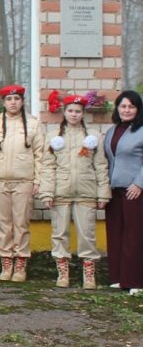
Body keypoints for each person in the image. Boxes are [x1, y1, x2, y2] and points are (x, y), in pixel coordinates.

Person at [40, 94, 110, 289]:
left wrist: (103, 193)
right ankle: (63, 273)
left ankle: (89, 275)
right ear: (64, 112)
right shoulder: (53, 136)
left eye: (77, 111)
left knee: (87, 234)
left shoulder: (93, 136)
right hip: (60, 190)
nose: (73, 114)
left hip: (86, 191)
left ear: (83, 113)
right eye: (70, 111)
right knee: (60, 232)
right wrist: (46, 192)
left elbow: (101, 166)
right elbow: (47, 166)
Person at [0, 85, 45, 283]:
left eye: (17, 99)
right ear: (3, 102)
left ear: (23, 101)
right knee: (3, 224)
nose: (13, 102)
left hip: (24, 181)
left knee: (21, 223)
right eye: (9, 99)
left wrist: (38, 180)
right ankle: (6, 261)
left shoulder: (34, 125)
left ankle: (20, 263)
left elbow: (40, 155)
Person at [104, 90, 143, 294]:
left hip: (135, 191)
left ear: (138, 109)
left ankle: (135, 281)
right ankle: (119, 278)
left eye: (131, 106)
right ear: (117, 109)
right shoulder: (112, 131)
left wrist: (139, 184)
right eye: (123, 106)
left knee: (134, 236)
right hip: (114, 191)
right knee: (116, 233)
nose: (126, 110)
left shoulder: (142, 130)